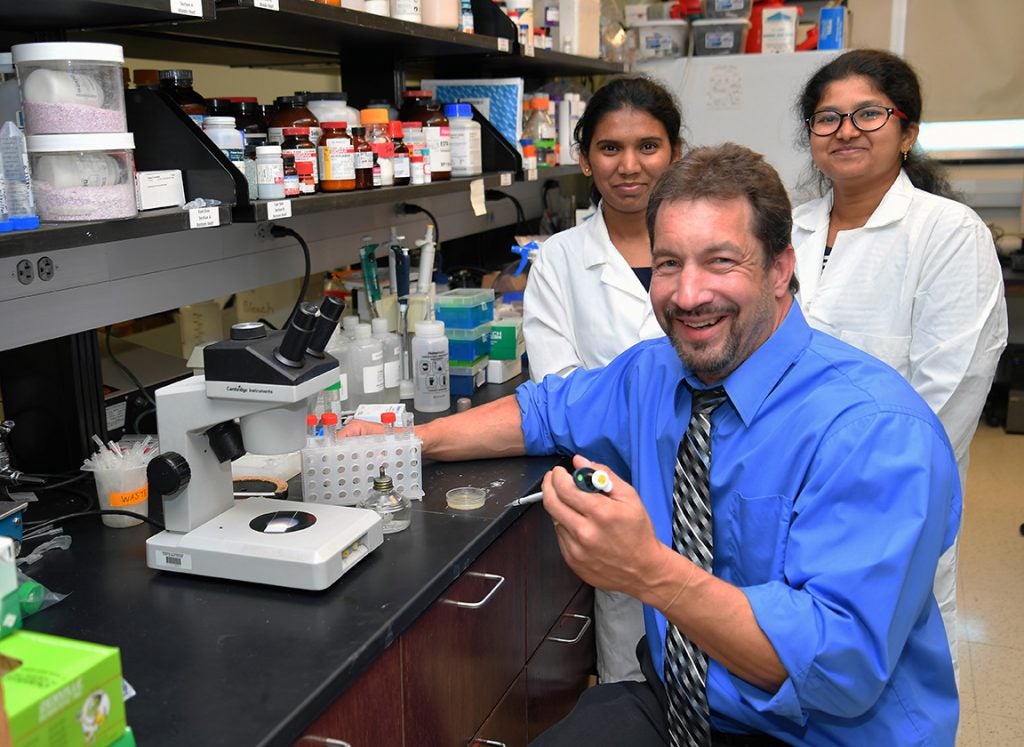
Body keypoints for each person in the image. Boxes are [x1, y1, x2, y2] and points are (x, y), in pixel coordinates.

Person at [342, 144, 960, 744]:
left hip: (823, 729)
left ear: (779, 268)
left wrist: (648, 571)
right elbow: (543, 411)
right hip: (684, 700)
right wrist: (400, 441)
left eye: (721, 262)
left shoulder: (876, 432)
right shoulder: (655, 373)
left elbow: (833, 667)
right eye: (668, 264)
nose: (688, 296)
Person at [791, 49, 1007, 676]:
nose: (847, 130)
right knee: (801, 669)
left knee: (896, 673)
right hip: (786, 488)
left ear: (907, 131)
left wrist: (856, 482)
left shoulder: (949, 232)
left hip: (893, 496)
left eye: (869, 113)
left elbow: (953, 385)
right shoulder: (786, 228)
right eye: (827, 118)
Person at [523, 75, 684, 683]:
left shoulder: (711, 244)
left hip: (717, 482)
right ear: (586, 158)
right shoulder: (560, 260)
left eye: (648, 146)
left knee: (727, 678)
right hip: (618, 494)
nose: (629, 165)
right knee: (632, 680)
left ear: (674, 153)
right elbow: (563, 394)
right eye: (610, 148)